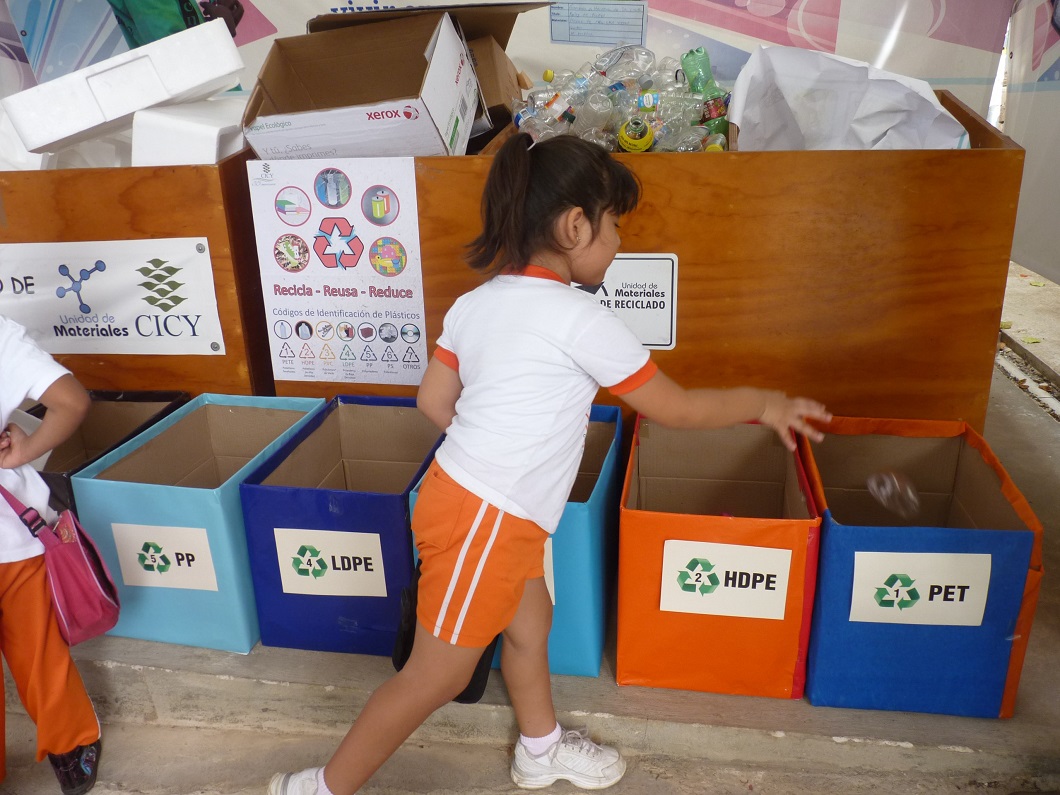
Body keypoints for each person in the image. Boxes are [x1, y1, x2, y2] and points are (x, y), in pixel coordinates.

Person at [268, 132, 831, 795]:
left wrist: (492, 452)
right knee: (436, 675)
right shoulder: (577, 318)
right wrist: (764, 402)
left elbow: (432, 398)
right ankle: (317, 789)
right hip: (487, 516)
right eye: (613, 223)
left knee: (530, 623)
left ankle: (540, 749)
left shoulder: (476, 304)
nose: (618, 240)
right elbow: (673, 407)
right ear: (573, 225)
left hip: (483, 505)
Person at [0, 315, 100, 795]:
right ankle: (72, 745)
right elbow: (72, 402)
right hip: (12, 537)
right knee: (37, 649)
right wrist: (25, 449)